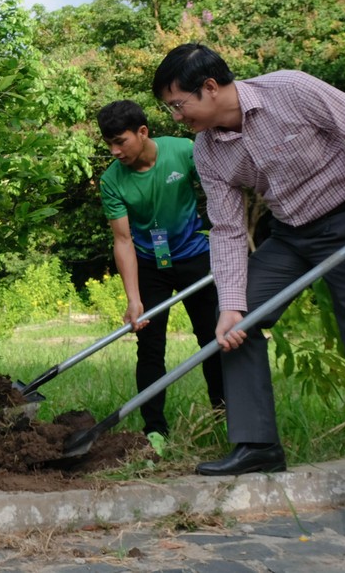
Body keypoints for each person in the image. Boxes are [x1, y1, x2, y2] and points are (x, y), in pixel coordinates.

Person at [151, 43, 345, 535]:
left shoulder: (290, 90)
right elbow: (227, 230)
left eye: (177, 104)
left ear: (209, 88)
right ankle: (257, 444)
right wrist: (229, 306)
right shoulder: (208, 150)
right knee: (235, 323)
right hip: (290, 235)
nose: (176, 115)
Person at [96, 100, 225, 440]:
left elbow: (221, 194)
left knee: (213, 339)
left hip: (196, 257)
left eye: (119, 141)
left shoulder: (184, 151)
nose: (114, 151)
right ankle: (155, 430)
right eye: (108, 143)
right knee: (150, 347)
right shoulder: (112, 181)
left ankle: (226, 416)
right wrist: (133, 300)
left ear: (142, 132)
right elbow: (122, 241)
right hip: (150, 265)